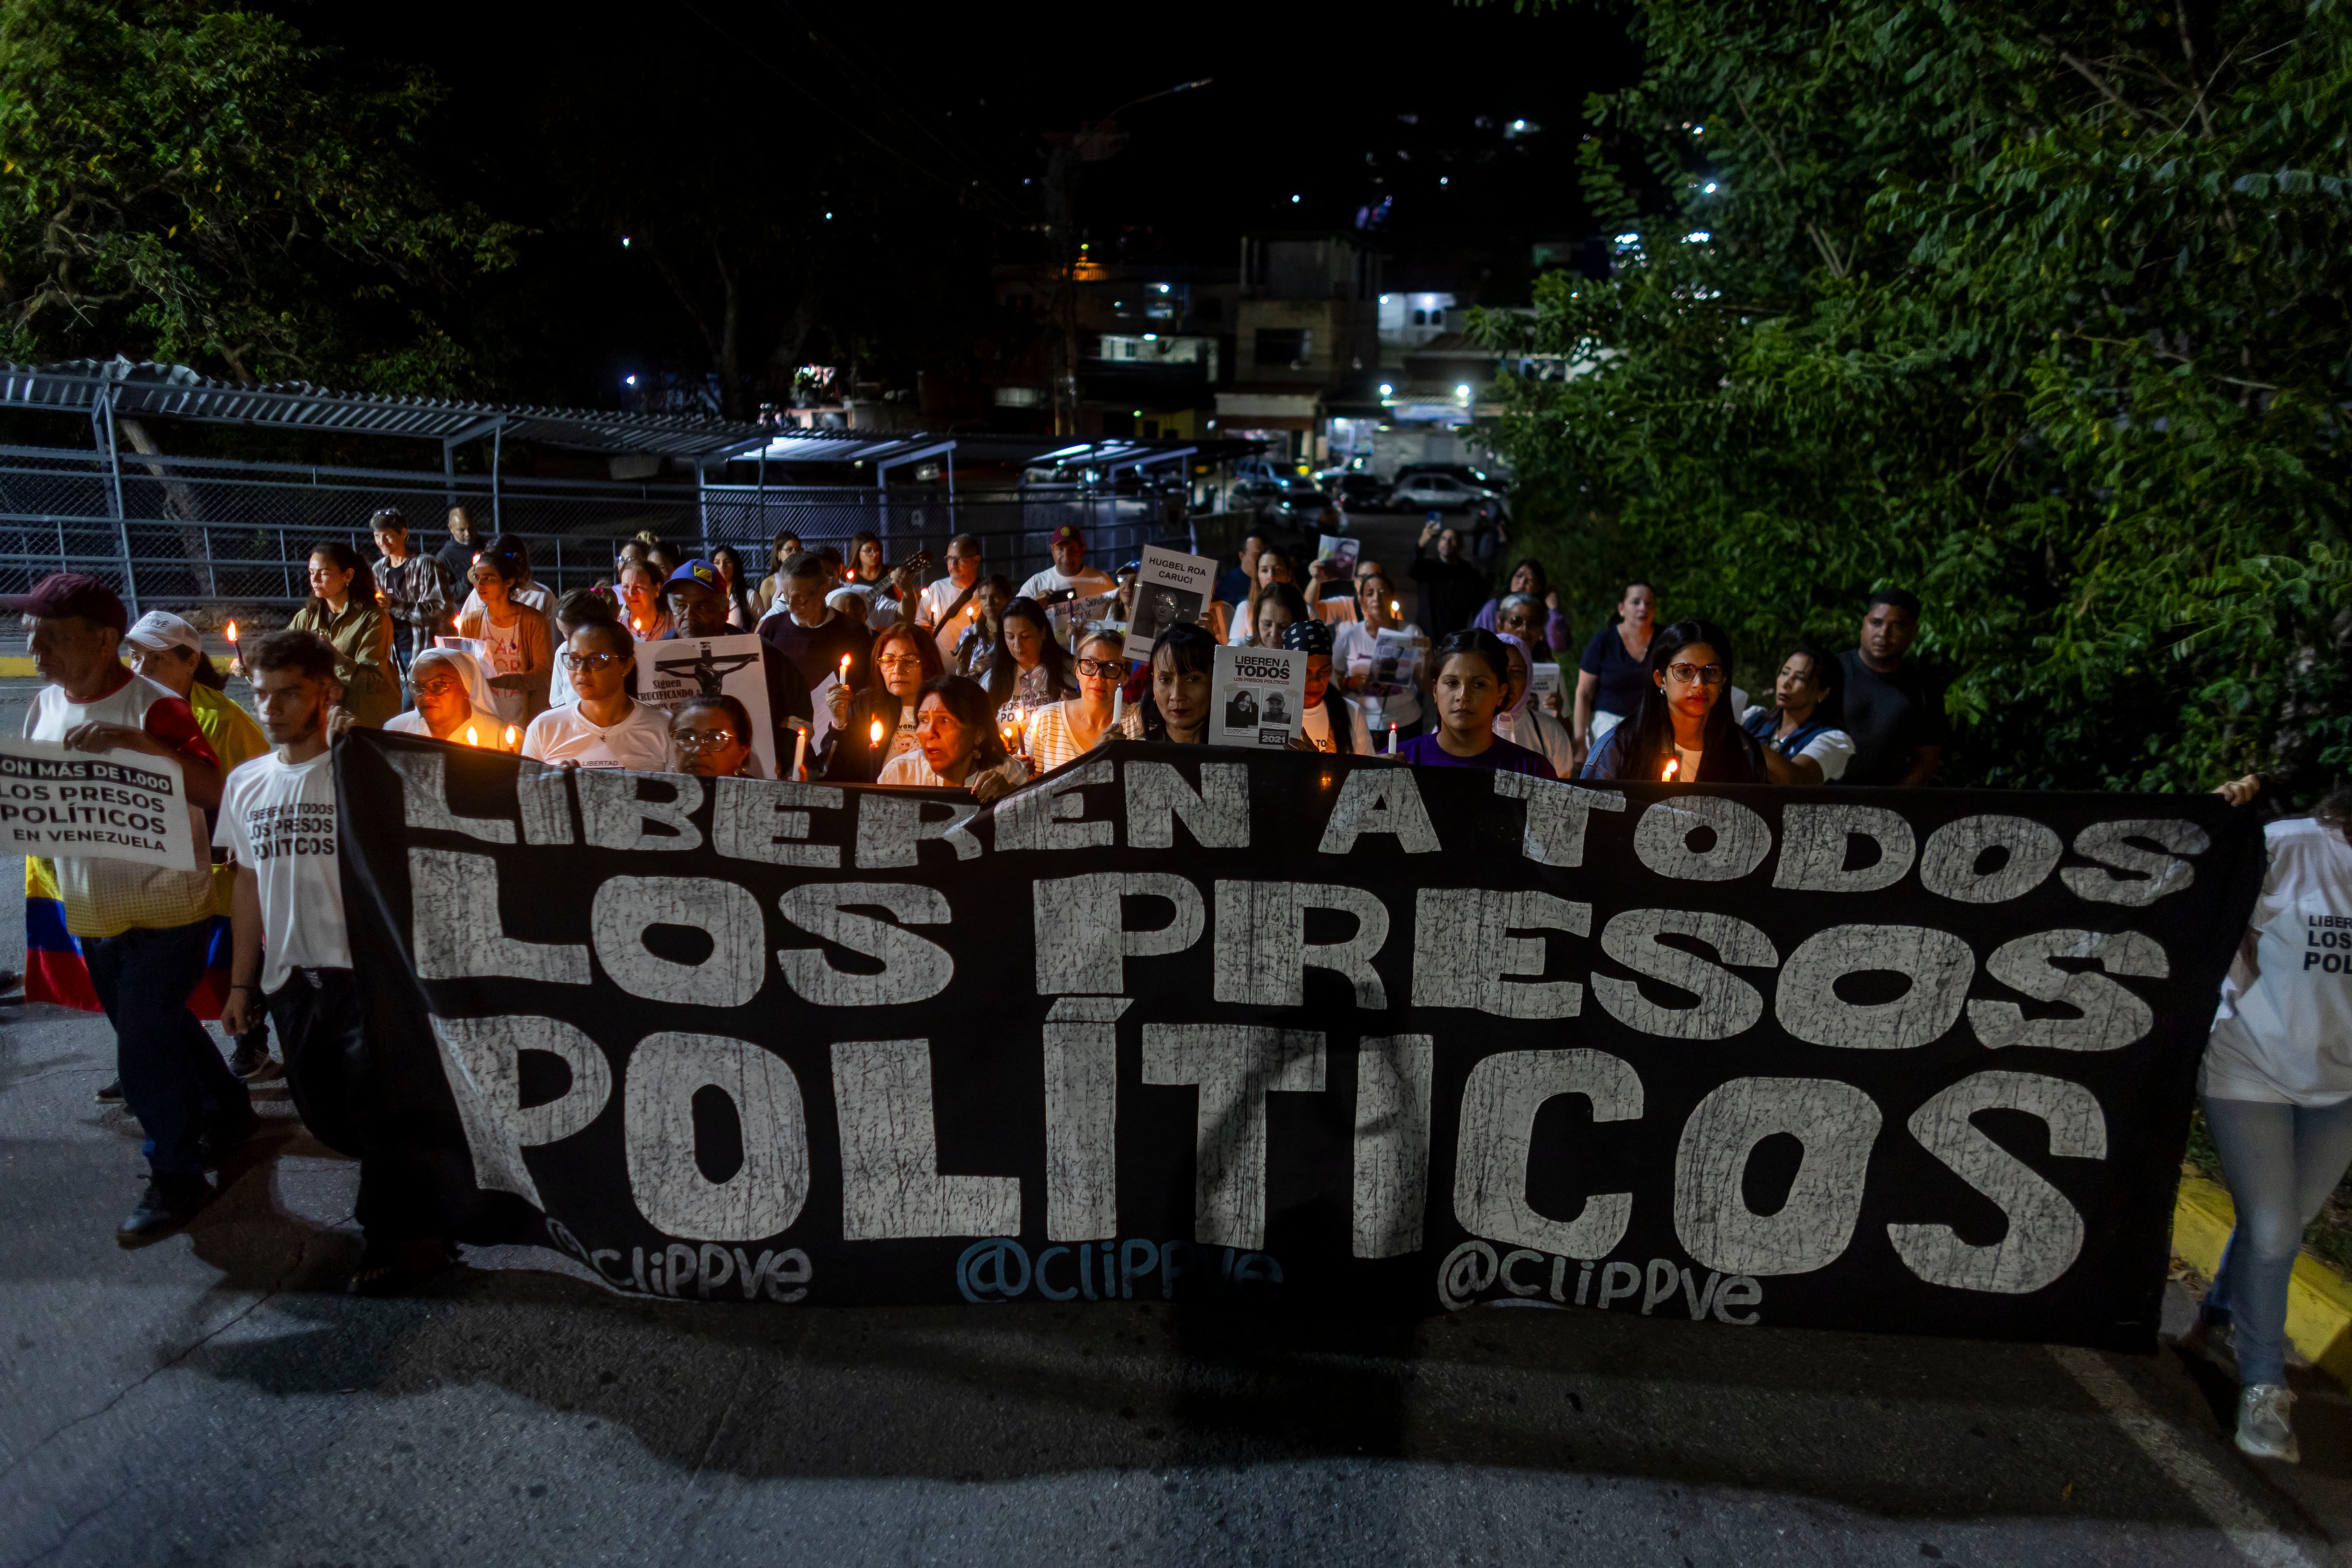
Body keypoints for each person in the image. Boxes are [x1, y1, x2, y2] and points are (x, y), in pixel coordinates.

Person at [5, 573, 237, 1243]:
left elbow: (214, 789)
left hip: (168, 905)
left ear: (106, 641)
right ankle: (229, 1109)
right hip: (91, 906)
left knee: (141, 1043)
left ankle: (176, 1175)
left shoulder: (156, 707)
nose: (37, 650)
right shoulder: (43, 707)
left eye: (51, 637)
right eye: (32, 637)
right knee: (154, 1026)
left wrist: (140, 747)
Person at [218, 629, 451, 1292]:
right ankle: (418, 1203)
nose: (271, 708)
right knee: (324, 1112)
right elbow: (245, 882)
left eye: (290, 694)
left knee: (381, 1110)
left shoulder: (362, 772)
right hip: (293, 979)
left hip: (367, 975)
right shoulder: (247, 784)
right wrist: (243, 983)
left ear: (327, 692)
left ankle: (398, 1239)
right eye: (261, 694)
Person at [2185, 773, 2352, 1462]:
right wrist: (2215, 817)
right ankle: (2262, 1384)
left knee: (2283, 1222)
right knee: (2277, 1228)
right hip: (2248, 1063)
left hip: (2340, 1085)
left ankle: (2221, 1316)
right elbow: (2196, 890)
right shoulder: (2288, 847)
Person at [121, 611, 277, 1079]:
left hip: (219, 867)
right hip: (158, 865)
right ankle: (148, 1053)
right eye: (135, 656)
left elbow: (254, 792)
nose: (141, 668)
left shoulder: (225, 720)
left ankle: (252, 1043)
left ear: (190, 663)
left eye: (155, 658)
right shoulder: (127, 708)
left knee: (233, 959)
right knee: (159, 974)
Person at [1581, 619, 1766, 783]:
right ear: (1660, 679)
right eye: (1685, 671)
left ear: (1724, 680)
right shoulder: (1619, 749)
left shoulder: (1742, 751)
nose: (1699, 684)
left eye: (1711, 671)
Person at [658, 558, 813, 740]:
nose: (689, 615)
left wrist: (783, 754)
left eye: (702, 606)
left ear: (724, 610)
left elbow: (799, 711)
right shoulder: (656, 656)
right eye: (680, 605)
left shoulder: (762, 653)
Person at [1396, 628, 1553, 776]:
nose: (1463, 696)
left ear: (1501, 693)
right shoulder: (1398, 763)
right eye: (1452, 683)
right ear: (1436, 690)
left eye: (1479, 684)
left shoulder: (1532, 770)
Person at [522, 621, 674, 772]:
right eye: (575, 659)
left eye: (596, 660)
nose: (582, 670)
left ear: (627, 666)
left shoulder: (663, 728)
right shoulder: (544, 728)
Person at [284, 541, 398, 728]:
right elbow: (283, 655)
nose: (315, 579)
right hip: (324, 721)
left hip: (365, 721)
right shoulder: (307, 617)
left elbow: (371, 682)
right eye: (312, 572)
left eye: (324, 573)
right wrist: (248, 666)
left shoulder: (373, 618)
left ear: (348, 575)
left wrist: (337, 658)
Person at [1838, 589, 1945, 787]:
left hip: (1886, 803)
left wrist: (1892, 802)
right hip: (1821, 797)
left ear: (1914, 632)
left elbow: (1926, 759)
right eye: (1876, 623)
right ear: (1864, 624)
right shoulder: (1832, 672)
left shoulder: (1924, 688)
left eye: (1897, 626)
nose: (1883, 634)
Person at [823, 622, 941, 783]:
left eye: (910, 660)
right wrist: (839, 722)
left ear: (928, 663)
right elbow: (837, 773)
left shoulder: (946, 707)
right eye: (889, 660)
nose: (897, 670)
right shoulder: (865, 706)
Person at [877, 675, 1027, 801]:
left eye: (944, 720)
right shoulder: (900, 775)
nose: (930, 732)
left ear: (979, 734)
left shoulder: (1007, 774)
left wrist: (1010, 799)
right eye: (924, 720)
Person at [457, 536, 554, 729]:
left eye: (489, 578)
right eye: (477, 578)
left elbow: (544, 673)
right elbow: (465, 668)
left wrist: (514, 681)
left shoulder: (533, 621)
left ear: (509, 581)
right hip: (484, 717)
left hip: (522, 718)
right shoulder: (471, 622)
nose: (480, 585)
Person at [758, 550, 874, 702]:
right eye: (786, 598)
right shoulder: (771, 630)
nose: (792, 607)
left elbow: (866, 689)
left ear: (823, 591)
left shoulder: (853, 633)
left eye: (800, 598)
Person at [1333, 569, 1429, 747]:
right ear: (1362, 601)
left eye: (1383, 592)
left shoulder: (1411, 633)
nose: (1377, 597)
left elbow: (1423, 685)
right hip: (1363, 724)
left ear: (1392, 597)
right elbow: (1332, 683)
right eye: (1370, 593)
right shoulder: (1349, 636)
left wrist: (1428, 656)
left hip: (1406, 722)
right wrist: (1350, 683)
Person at [1740, 645, 1856, 785]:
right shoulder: (1753, 719)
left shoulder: (1834, 741)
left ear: (1823, 692)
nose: (1787, 683)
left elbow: (1797, 780)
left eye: (1800, 678)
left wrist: (1741, 739)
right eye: (1785, 673)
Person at [1574, 580, 1661, 762]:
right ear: (1622, 608)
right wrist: (1579, 740)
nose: (1643, 608)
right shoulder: (1603, 642)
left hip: (1652, 723)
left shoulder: (1666, 640)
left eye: (1649, 603)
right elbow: (1584, 693)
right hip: (1609, 724)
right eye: (1636, 602)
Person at [1025, 629, 1127, 772]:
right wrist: (1020, 773)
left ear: (1126, 677)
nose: (1098, 676)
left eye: (1111, 668)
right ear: (1077, 670)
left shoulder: (1137, 721)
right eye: (1090, 664)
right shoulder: (1048, 720)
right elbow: (1031, 782)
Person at [385, 647, 516, 750]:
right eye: (418, 687)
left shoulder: (502, 738)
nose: (426, 696)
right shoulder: (396, 731)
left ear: (466, 688)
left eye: (438, 686)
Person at [1493, 631, 1577, 777]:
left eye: (1516, 672)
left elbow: (1562, 792)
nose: (1506, 681)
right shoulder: (1461, 730)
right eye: (1499, 670)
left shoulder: (1551, 732)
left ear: (1529, 678)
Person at [1116, 622, 1217, 744]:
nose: (1177, 696)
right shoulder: (1137, 755)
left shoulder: (1239, 756)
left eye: (1193, 679)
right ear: (1153, 682)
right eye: (1165, 680)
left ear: (1216, 680)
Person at [1280, 620, 1372, 754]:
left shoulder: (1352, 713)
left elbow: (1364, 771)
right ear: (1288, 670)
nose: (1316, 681)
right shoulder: (1274, 713)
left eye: (1324, 671)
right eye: (1306, 671)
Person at [370, 507, 448, 664]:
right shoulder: (379, 569)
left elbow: (440, 611)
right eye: (377, 536)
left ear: (404, 533)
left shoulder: (427, 565)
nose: (381, 542)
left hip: (424, 651)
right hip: (393, 654)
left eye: (388, 536)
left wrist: (396, 605)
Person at [984, 597, 1079, 716]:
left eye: (1025, 636)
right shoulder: (992, 680)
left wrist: (1082, 704)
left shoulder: (1071, 672)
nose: (1018, 645)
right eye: (1011, 637)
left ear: (1043, 633)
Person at [1407, 520, 1487, 639]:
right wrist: (1422, 543)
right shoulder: (1428, 569)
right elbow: (1411, 569)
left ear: (1461, 545)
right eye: (1444, 539)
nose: (1447, 543)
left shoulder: (1470, 575)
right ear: (1439, 543)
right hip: (1426, 638)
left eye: (1452, 539)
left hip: (1455, 640)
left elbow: (1479, 611)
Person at [914, 533, 987, 663]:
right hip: (940, 668)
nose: (953, 565)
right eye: (949, 558)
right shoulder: (936, 589)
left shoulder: (986, 593)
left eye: (959, 559)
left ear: (976, 561)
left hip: (972, 670)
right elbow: (920, 622)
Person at [546, 586, 620, 709]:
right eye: (563, 633)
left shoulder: (613, 651)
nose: (567, 640)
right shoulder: (564, 651)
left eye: (569, 634)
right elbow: (556, 700)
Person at [1473, 558, 1571, 653]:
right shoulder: (1494, 607)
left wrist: (1554, 610)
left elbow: (1560, 646)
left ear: (1538, 588)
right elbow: (1478, 642)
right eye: (1519, 576)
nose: (1522, 582)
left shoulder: (1543, 614)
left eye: (1529, 580)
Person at [1016, 523, 1117, 605]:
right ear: (1052, 550)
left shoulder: (1103, 582)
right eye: (1060, 549)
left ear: (1082, 550)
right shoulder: (1036, 584)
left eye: (1072, 550)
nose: (1066, 556)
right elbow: (1015, 614)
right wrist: (1033, 605)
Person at [670, 695, 758, 779]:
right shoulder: (661, 793)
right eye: (686, 737)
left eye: (715, 738)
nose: (698, 751)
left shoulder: (758, 794)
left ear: (742, 752)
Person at [1227, 545, 1299, 646]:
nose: (1271, 576)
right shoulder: (1246, 608)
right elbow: (1234, 651)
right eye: (1265, 570)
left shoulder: (1304, 609)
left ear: (1289, 575)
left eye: (1283, 626)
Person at [954, 575, 1014, 681]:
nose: (988, 603)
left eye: (994, 596)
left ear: (1008, 598)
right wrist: (961, 664)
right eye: (983, 598)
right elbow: (961, 676)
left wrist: (996, 664)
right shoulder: (969, 633)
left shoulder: (1015, 632)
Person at [751, 529, 805, 620]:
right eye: (789, 550)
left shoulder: (807, 579)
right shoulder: (769, 583)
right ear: (778, 553)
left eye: (798, 550)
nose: (795, 553)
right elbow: (763, 619)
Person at [616, 561, 672, 641]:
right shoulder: (619, 628)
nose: (631, 594)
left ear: (657, 589)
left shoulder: (673, 626)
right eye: (626, 587)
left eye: (638, 587)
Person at [1492, 593, 1553, 662]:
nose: (1525, 629)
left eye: (1533, 623)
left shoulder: (1550, 670)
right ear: (1500, 627)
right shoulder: (1487, 666)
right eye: (1516, 622)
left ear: (1541, 630)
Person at [1214, 532, 1268, 609]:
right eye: (1256, 556)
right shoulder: (1225, 585)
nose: (1262, 561)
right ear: (1242, 556)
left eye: (1265, 556)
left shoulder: (1271, 581)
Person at [1249, 582, 1311, 650]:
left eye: (1283, 627)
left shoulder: (1313, 656)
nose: (1274, 634)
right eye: (1267, 625)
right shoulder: (1240, 651)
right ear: (1257, 621)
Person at [709, 545, 758, 629]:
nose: (722, 567)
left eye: (728, 562)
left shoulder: (750, 596)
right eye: (717, 563)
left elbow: (764, 626)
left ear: (735, 566)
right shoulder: (709, 596)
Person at [435, 505, 478, 597]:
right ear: (451, 529)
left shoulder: (487, 546)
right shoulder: (445, 557)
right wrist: (467, 581)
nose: (468, 534)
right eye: (461, 530)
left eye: (470, 528)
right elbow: (444, 594)